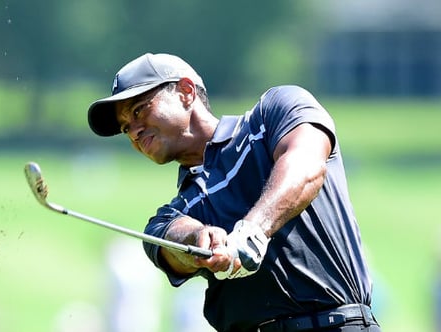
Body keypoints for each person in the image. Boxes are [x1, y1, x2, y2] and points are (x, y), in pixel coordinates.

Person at [86, 53, 380, 332]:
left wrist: (252, 232)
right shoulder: (172, 214)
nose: (134, 131)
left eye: (140, 110)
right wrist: (200, 242)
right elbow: (171, 241)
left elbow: (306, 165)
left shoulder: (274, 113)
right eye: (126, 128)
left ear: (186, 92)